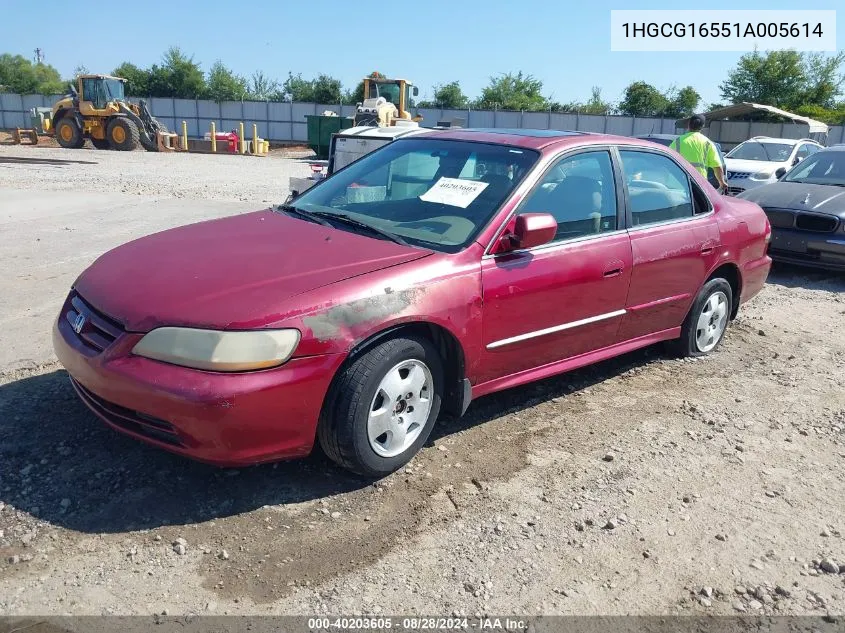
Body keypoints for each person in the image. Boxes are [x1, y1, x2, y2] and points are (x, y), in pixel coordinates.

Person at [670, 114, 728, 193]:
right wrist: (722, 183)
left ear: (688, 125)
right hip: (699, 184)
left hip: (678, 184)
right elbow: (717, 167)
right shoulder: (708, 143)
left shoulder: (678, 141)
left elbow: (667, 160)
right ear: (702, 126)